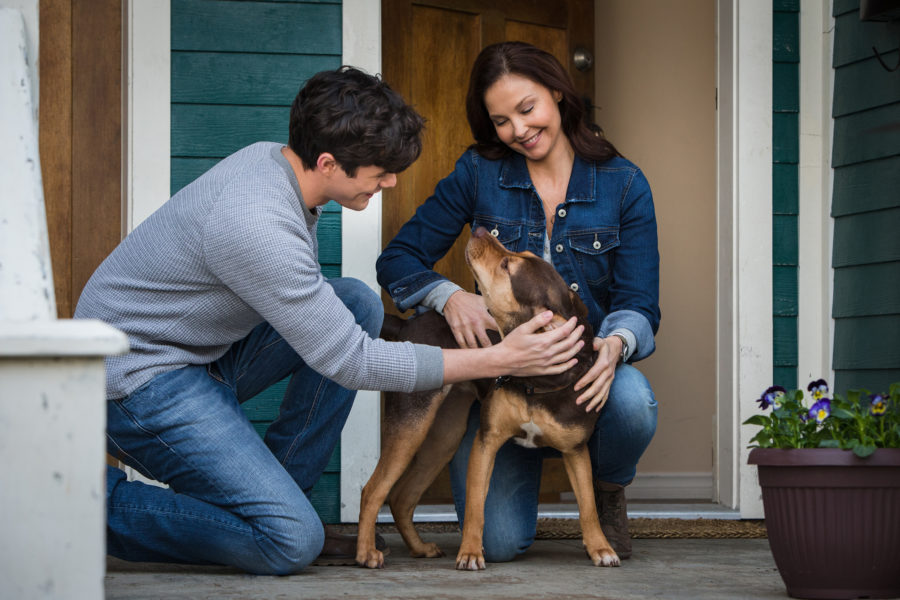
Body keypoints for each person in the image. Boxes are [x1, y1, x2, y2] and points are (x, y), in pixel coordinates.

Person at [75, 66, 588, 575]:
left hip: (198, 352)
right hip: (137, 379)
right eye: (380, 171)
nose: (389, 182)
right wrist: (494, 359)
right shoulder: (257, 226)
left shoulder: (273, 162)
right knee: (290, 541)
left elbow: (330, 326)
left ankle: (274, 496)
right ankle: (93, 509)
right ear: (327, 162)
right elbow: (351, 361)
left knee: (355, 303)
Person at [376, 42, 661, 561]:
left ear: (557, 91)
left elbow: (640, 302)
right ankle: (507, 450)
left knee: (633, 401)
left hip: (575, 378)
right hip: (503, 383)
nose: (519, 130)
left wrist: (616, 344)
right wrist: (447, 295)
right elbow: (397, 259)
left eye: (527, 109)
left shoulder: (624, 184)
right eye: (501, 120)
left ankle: (606, 489)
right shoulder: (478, 172)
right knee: (501, 545)